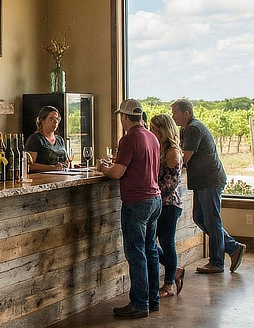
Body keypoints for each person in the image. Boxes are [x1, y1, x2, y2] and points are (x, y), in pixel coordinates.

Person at [98, 99, 162, 319]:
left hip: (136, 201)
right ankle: (153, 299)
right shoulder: (152, 137)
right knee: (151, 250)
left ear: (124, 117)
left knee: (136, 254)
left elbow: (117, 173)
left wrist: (103, 167)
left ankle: (139, 303)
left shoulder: (129, 138)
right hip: (155, 199)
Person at [170, 98, 246, 274]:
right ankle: (233, 248)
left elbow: (184, 158)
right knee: (200, 218)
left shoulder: (193, 129)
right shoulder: (187, 129)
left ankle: (217, 262)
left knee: (212, 221)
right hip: (204, 181)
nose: (173, 116)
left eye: (175, 113)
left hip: (210, 180)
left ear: (186, 113)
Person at [148, 113, 186, 297]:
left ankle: (169, 284)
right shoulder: (159, 148)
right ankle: (175, 270)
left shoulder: (172, 152)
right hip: (159, 202)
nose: (150, 132)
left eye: (154, 129)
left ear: (163, 131)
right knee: (149, 243)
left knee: (166, 243)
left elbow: (170, 183)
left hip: (169, 204)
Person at [25, 105, 70, 172]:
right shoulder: (35, 139)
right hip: (42, 179)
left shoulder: (60, 140)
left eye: (57, 119)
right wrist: (52, 167)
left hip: (61, 177)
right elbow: (29, 165)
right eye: (51, 119)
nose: (55, 122)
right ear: (42, 120)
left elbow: (65, 161)